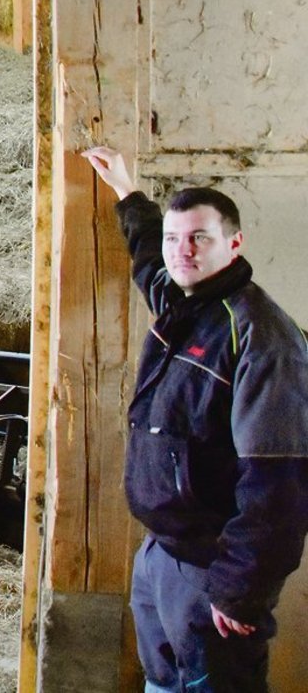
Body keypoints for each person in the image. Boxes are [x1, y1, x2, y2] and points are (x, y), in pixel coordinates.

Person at [83, 146, 308, 692]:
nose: (182, 252)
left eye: (199, 238)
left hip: (213, 567)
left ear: (233, 244)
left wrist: (242, 589)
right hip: (162, 550)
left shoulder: (262, 337)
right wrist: (127, 193)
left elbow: (279, 481)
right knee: (163, 682)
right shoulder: (188, 305)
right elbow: (149, 265)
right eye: (174, 239)